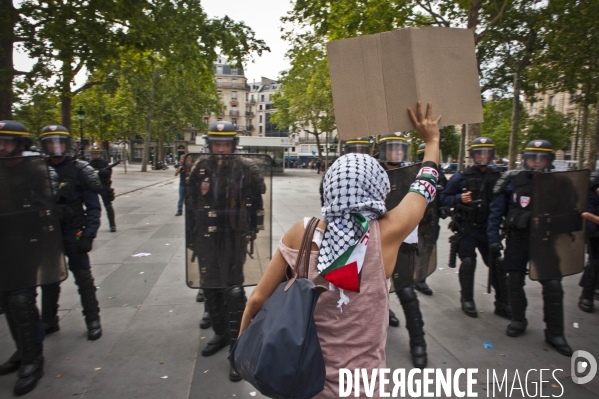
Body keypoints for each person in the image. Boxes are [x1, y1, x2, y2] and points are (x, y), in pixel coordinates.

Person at [239, 102, 441, 397]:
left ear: (330, 186)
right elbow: (425, 185)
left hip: (302, 381)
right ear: (378, 187)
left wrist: (244, 347)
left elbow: (256, 300)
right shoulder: (387, 233)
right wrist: (431, 141)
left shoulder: (302, 232)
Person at [186, 121, 266, 381]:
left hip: (234, 236)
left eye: (226, 144)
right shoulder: (200, 168)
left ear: (233, 145)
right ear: (210, 145)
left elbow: (258, 200)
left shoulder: (246, 169)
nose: (222, 148)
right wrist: (191, 238)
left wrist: (253, 228)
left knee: (233, 290)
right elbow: (191, 204)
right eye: (217, 144)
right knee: (210, 288)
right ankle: (221, 334)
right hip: (207, 237)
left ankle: (238, 346)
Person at [488, 140, 573, 356]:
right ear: (525, 158)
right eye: (533, 157)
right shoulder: (513, 180)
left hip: (545, 241)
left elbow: (572, 213)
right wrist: (493, 237)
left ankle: (555, 333)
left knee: (553, 285)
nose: (536, 161)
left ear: (549, 160)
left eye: (541, 157)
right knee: (514, 281)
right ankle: (518, 319)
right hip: (517, 239)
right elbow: (497, 210)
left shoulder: (560, 182)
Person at [0, 120, 62, 395]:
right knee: (7, 301)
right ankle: (22, 349)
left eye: (8, 142)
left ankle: (33, 359)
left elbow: (50, 205)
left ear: (22, 144)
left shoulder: (38, 171)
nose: (2, 147)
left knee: (21, 300)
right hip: (3, 244)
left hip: (29, 243)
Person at [38, 125, 104, 341]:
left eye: (59, 142)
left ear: (67, 144)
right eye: (50, 142)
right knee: (49, 279)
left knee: (83, 277)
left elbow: (93, 207)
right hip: (47, 234)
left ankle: (93, 319)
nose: (55, 146)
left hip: (73, 232)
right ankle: (49, 319)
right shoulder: (36, 170)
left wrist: (88, 234)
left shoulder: (79, 170)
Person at [440, 137, 509, 319]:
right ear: (473, 155)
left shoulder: (499, 177)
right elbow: (443, 198)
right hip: (467, 229)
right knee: (468, 263)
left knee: (497, 264)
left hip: (489, 229)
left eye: (486, 153)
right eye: (479, 153)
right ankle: (467, 299)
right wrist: (458, 199)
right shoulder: (461, 177)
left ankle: (503, 302)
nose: (483, 156)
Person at [379, 132, 430, 368]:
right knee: (373, 291)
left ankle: (418, 342)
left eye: (400, 149)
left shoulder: (412, 173)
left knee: (407, 292)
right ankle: (382, 318)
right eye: (391, 148)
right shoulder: (372, 172)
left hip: (403, 242)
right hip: (375, 240)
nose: (396, 153)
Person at [412, 142, 449, 296]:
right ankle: (412, 277)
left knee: (427, 249)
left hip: (432, 220)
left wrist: (444, 206)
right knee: (416, 249)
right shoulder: (412, 173)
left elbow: (446, 194)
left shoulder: (438, 174)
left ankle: (420, 278)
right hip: (416, 220)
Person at [580, 170, 599, 312]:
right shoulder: (595, 180)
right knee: (595, 262)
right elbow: (589, 207)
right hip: (597, 230)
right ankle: (587, 295)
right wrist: (592, 230)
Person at [89, 147, 117, 232]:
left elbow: (109, 172)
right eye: (94, 153)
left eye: (97, 153)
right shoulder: (89, 163)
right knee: (92, 206)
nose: (96, 155)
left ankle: (112, 225)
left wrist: (99, 172)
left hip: (103, 186)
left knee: (108, 205)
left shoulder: (104, 163)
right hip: (92, 186)